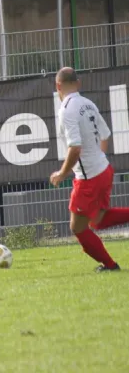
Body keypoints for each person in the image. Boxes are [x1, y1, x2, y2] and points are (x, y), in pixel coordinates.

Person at [50, 67, 129, 272]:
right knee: (97, 220)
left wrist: (62, 173)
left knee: (77, 227)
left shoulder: (66, 109)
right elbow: (105, 135)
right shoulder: (88, 104)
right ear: (78, 83)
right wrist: (99, 159)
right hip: (104, 170)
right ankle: (109, 264)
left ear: (58, 86)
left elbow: (75, 148)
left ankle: (110, 265)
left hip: (89, 178)